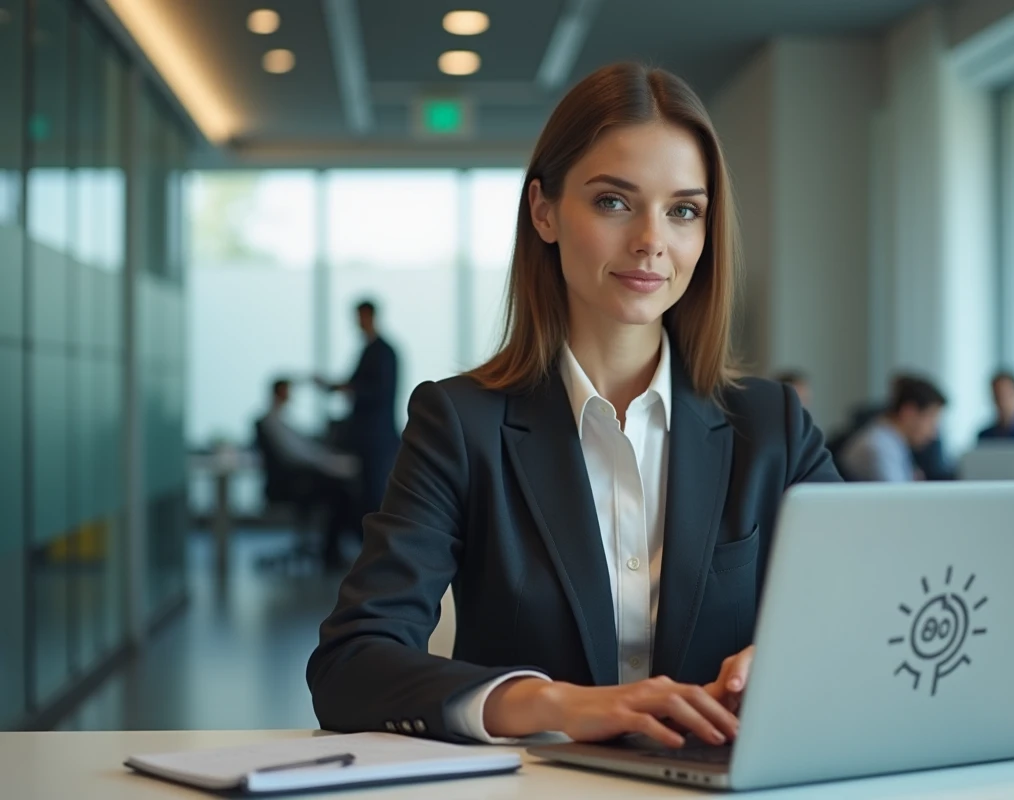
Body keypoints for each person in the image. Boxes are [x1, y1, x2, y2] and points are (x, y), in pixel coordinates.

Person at [307, 62, 841, 749]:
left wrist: (786, 663)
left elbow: (863, 617)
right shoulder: (460, 424)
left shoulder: (772, 427)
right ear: (545, 211)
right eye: (614, 201)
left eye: (683, 210)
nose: (652, 239)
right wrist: (556, 705)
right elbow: (351, 666)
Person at [257, 379, 358, 569]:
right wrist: (330, 462)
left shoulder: (279, 420)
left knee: (343, 487)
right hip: (294, 484)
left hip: (296, 478)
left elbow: (304, 450)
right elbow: (297, 454)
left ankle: (333, 551)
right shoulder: (273, 422)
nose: (291, 396)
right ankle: (331, 554)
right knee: (343, 493)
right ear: (279, 393)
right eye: (288, 391)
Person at [315, 300, 402, 519]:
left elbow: (375, 391)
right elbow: (357, 385)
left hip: (375, 436)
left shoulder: (382, 352)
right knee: (363, 494)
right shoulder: (371, 350)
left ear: (370, 316)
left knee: (374, 495)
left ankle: (374, 548)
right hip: (368, 435)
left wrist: (345, 388)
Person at [839, 376, 947, 482]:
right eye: (931, 420)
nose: (934, 433)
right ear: (909, 413)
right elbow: (899, 498)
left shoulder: (892, 442)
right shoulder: (879, 447)